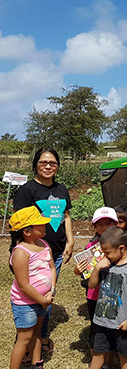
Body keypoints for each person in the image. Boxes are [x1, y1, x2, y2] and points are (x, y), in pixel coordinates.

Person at [12, 147, 74, 352]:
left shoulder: (62, 189)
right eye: (43, 162)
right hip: (32, 255)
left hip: (54, 251)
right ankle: (26, 337)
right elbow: (19, 224)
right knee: (30, 295)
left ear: (58, 166)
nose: (48, 166)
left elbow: (65, 215)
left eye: (52, 163)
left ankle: (40, 336)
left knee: (47, 293)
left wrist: (70, 241)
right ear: (35, 165)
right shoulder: (27, 191)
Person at [82, 227, 127, 369]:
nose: (105, 256)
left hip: (121, 322)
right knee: (98, 352)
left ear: (121, 248)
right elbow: (92, 285)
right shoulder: (105, 264)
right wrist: (96, 268)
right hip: (102, 319)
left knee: (124, 353)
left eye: (108, 252)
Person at [6, 206, 55, 369]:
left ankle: (36, 366)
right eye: (40, 224)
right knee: (24, 337)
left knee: (37, 333)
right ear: (27, 231)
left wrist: (52, 289)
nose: (45, 226)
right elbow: (24, 285)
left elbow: (51, 268)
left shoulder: (44, 245)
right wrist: (42, 300)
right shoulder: (21, 252)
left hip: (43, 301)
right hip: (25, 303)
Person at [74, 207, 119, 369]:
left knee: (111, 329)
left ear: (116, 225)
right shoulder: (90, 247)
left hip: (113, 295)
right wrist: (78, 270)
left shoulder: (122, 246)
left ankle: (107, 364)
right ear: (94, 227)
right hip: (94, 295)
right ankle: (96, 364)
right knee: (96, 330)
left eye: (109, 223)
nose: (104, 227)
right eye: (100, 224)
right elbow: (83, 270)